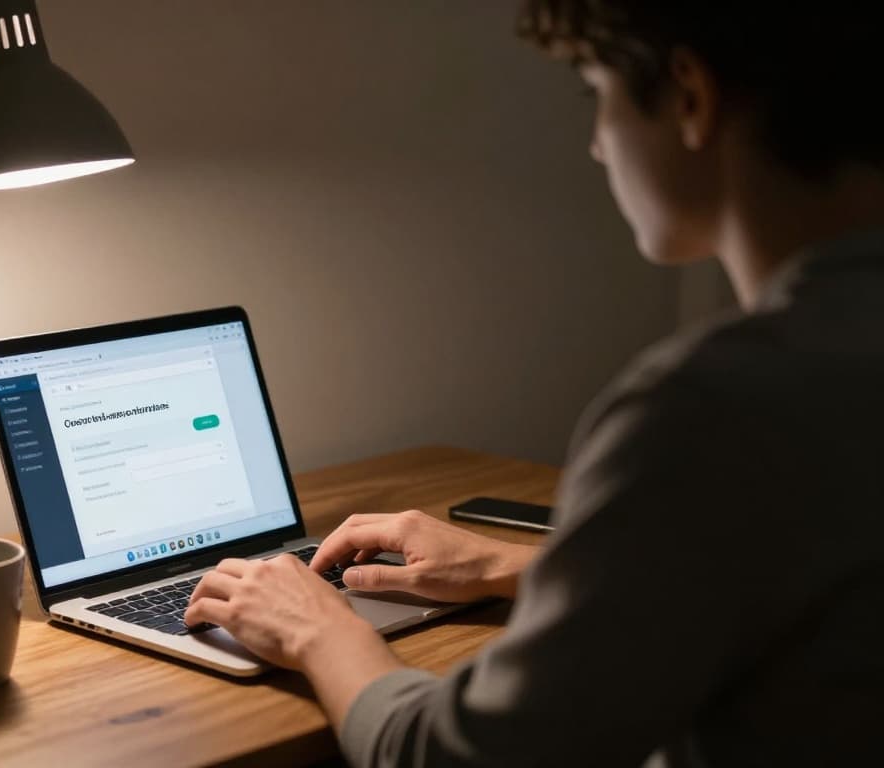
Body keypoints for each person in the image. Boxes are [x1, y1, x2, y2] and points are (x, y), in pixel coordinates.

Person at [184, 2, 884, 765]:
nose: (595, 143)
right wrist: (513, 567)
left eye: (596, 96)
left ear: (691, 97)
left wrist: (317, 629)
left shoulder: (712, 408)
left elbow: (457, 757)